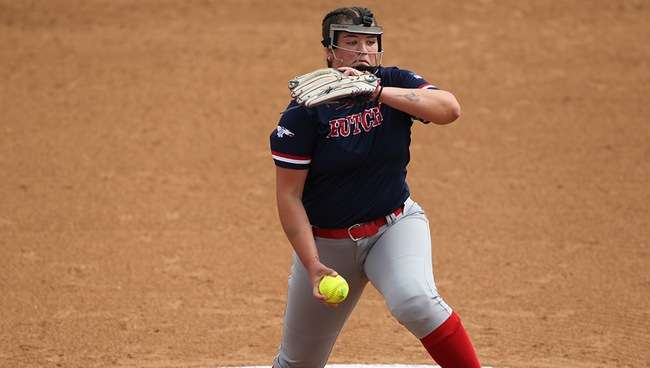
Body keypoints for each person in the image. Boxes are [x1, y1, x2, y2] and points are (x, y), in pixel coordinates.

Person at [269, 6, 481, 368]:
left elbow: (449, 109)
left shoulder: (393, 82)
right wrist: (313, 264)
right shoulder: (305, 113)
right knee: (298, 362)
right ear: (329, 50)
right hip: (327, 243)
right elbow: (289, 196)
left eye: (370, 42)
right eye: (352, 42)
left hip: (393, 227)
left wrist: (377, 91)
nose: (364, 51)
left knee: (415, 300)